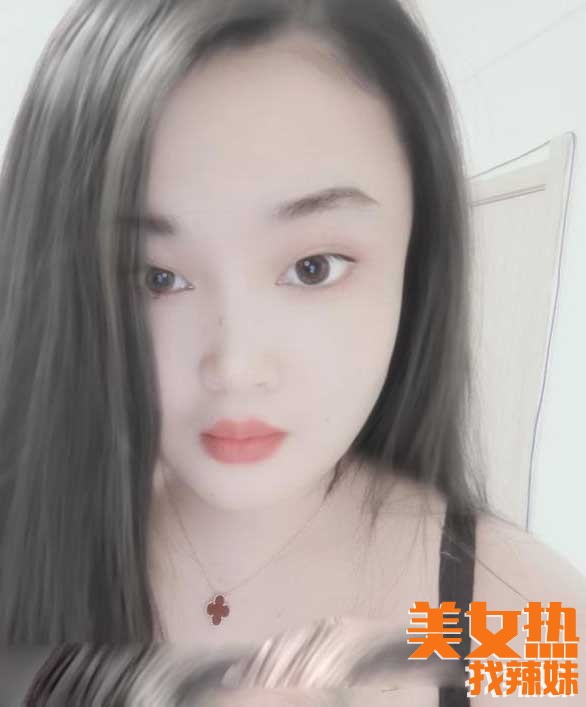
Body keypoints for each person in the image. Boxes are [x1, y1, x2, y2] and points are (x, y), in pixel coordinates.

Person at [0, 0, 585, 704]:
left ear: (417, 257)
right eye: (154, 277)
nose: (236, 367)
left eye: (313, 268)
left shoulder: (525, 614)